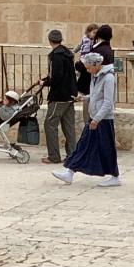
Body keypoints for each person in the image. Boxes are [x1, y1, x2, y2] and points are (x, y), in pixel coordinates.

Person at [53, 52, 120, 187]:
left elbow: (108, 102)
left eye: (88, 67)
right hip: (94, 117)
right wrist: (84, 98)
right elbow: (96, 95)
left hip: (103, 119)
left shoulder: (108, 78)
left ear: (96, 64)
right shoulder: (95, 76)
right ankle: (70, 172)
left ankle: (115, 176)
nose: (87, 70)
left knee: (106, 147)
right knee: (83, 145)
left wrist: (96, 119)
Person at [41, 29, 78, 165]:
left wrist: (45, 82)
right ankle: (73, 155)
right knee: (69, 126)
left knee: (50, 124)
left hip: (59, 96)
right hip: (70, 94)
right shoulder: (68, 54)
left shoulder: (55, 56)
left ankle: (54, 156)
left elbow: (56, 77)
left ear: (50, 40)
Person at [77, 24, 114, 119]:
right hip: (95, 90)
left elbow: (87, 66)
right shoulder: (108, 50)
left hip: (91, 87)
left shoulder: (98, 50)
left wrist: (77, 64)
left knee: (89, 119)